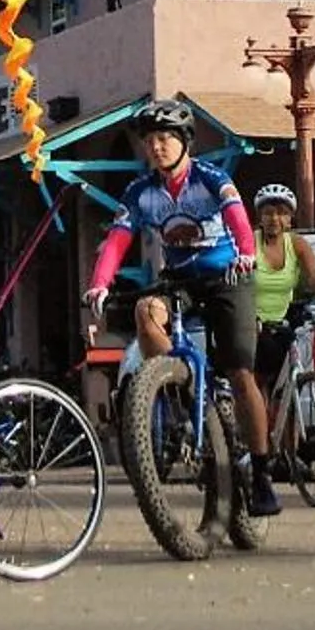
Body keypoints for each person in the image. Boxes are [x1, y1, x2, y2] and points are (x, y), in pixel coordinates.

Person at [79, 98, 280, 515]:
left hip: (228, 276)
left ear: (185, 141)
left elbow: (240, 219)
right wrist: (99, 283)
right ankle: (178, 389)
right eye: (150, 140)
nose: (157, 147)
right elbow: (118, 239)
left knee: (242, 373)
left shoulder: (211, 178)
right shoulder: (140, 192)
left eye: (166, 138)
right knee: (145, 312)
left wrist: (246, 252)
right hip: (181, 279)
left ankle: (261, 474)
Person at [247, 182, 315, 398]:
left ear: (290, 219)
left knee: (287, 383)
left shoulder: (297, 244)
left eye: (282, 213)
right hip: (252, 324)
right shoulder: (249, 242)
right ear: (260, 217)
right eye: (268, 213)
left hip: (282, 323)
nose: (274, 219)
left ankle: (291, 426)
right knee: (259, 382)